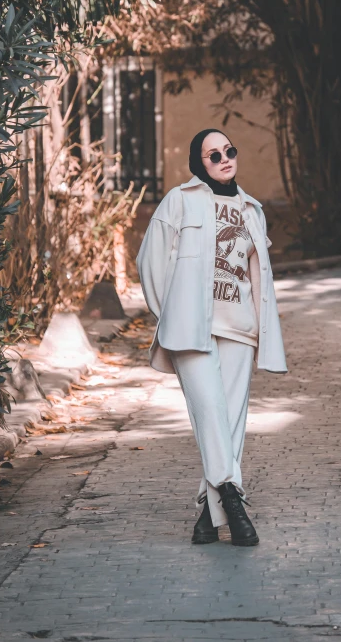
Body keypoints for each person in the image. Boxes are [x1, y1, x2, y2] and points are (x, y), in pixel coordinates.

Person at [136, 128, 287, 546]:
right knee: (210, 415)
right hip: (192, 332)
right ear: (197, 163)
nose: (223, 158)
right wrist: (170, 312)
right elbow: (149, 261)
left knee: (230, 422)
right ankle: (234, 504)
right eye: (212, 154)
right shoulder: (179, 201)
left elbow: (259, 277)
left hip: (240, 328)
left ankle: (208, 516)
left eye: (228, 151)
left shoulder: (252, 210)